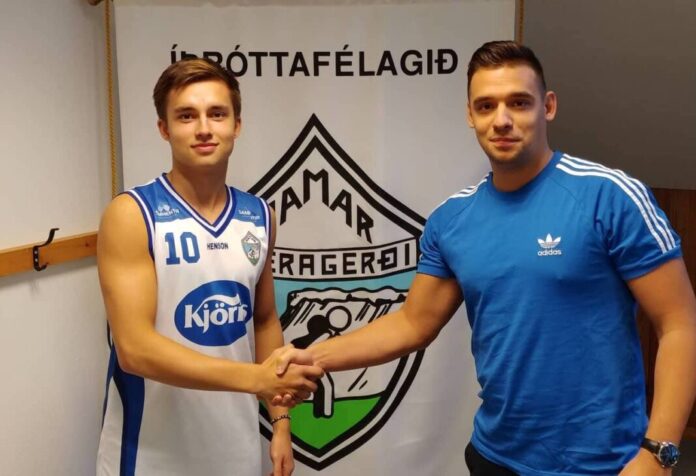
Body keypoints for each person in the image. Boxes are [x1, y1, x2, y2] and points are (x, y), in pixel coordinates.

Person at [274, 41, 696, 475]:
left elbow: (680, 323)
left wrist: (658, 453)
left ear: (548, 106)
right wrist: (314, 357)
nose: (502, 120)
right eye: (486, 105)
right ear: (470, 115)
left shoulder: (610, 196)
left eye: (519, 103)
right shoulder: (451, 219)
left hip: (604, 464)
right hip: (495, 456)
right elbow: (412, 323)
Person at [96, 58, 323, 476]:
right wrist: (256, 379)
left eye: (217, 114)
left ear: (237, 125)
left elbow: (264, 319)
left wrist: (280, 423)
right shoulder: (132, 214)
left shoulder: (259, 216)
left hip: (236, 445)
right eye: (186, 116)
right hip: (151, 452)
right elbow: (134, 349)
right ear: (164, 128)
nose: (204, 128)